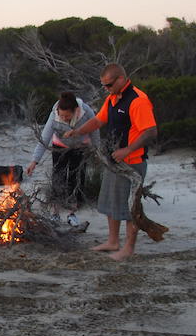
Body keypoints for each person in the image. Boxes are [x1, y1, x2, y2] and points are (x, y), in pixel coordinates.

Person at [63, 63, 158, 261]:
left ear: (121, 79)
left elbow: (150, 131)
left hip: (132, 162)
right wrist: (78, 131)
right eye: (103, 86)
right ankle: (112, 241)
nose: (106, 89)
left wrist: (128, 150)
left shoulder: (138, 101)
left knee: (131, 206)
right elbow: (98, 121)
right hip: (113, 160)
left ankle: (128, 248)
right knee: (109, 202)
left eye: (108, 85)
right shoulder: (112, 99)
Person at [25, 91, 99, 225]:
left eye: (67, 116)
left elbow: (95, 130)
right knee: (58, 178)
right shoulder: (54, 115)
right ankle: (55, 212)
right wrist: (34, 161)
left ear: (76, 111)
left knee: (76, 179)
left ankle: (72, 214)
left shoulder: (86, 112)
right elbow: (44, 138)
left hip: (80, 148)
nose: (64, 118)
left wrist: (97, 151)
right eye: (61, 115)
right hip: (59, 147)